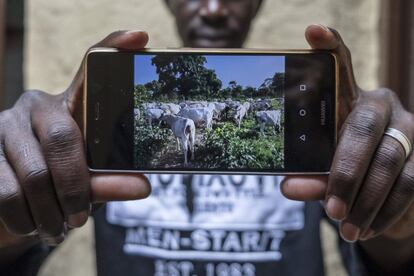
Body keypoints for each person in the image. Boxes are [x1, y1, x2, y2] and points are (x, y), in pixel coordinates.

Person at [1, 0, 414, 275]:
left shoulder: (309, 125)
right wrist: (10, 220)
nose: (214, 9)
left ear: (256, 5)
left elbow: (379, 254)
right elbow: (23, 247)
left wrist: (400, 224)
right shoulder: (114, 124)